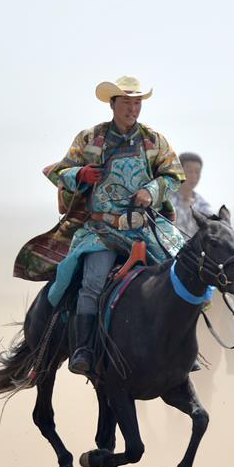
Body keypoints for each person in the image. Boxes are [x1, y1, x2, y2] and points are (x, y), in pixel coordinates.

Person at [42, 76, 186, 376]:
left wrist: (152, 191)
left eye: (137, 103)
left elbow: (173, 174)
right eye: (127, 102)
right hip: (101, 231)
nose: (133, 109)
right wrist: (80, 175)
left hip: (144, 228)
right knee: (93, 281)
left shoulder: (154, 140)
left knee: (183, 273)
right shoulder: (90, 138)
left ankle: (183, 348)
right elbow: (59, 171)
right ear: (113, 104)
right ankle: (82, 348)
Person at [169, 152, 234, 378]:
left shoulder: (203, 204)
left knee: (223, 303)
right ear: (179, 172)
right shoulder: (167, 201)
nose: (193, 176)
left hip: (202, 264)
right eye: (189, 171)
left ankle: (231, 359)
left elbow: (217, 234)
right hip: (173, 259)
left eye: (197, 171)